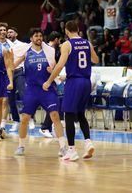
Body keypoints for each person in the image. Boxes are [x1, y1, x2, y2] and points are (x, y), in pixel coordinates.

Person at [43, 20, 99, 161]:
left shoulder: (67, 44)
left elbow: (61, 64)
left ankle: (72, 150)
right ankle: (88, 142)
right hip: (87, 82)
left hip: (74, 81)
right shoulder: (87, 43)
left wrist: (49, 80)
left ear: (66, 31)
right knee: (80, 114)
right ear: (78, 29)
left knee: (68, 114)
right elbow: (96, 60)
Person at [14, 28, 67, 156]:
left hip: (47, 89)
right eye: (36, 36)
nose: (39, 38)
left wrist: (52, 71)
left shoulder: (49, 52)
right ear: (31, 39)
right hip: (32, 90)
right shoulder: (26, 53)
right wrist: (8, 62)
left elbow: (55, 70)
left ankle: (63, 147)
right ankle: (21, 146)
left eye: (40, 36)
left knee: (55, 115)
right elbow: (13, 65)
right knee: (25, 118)